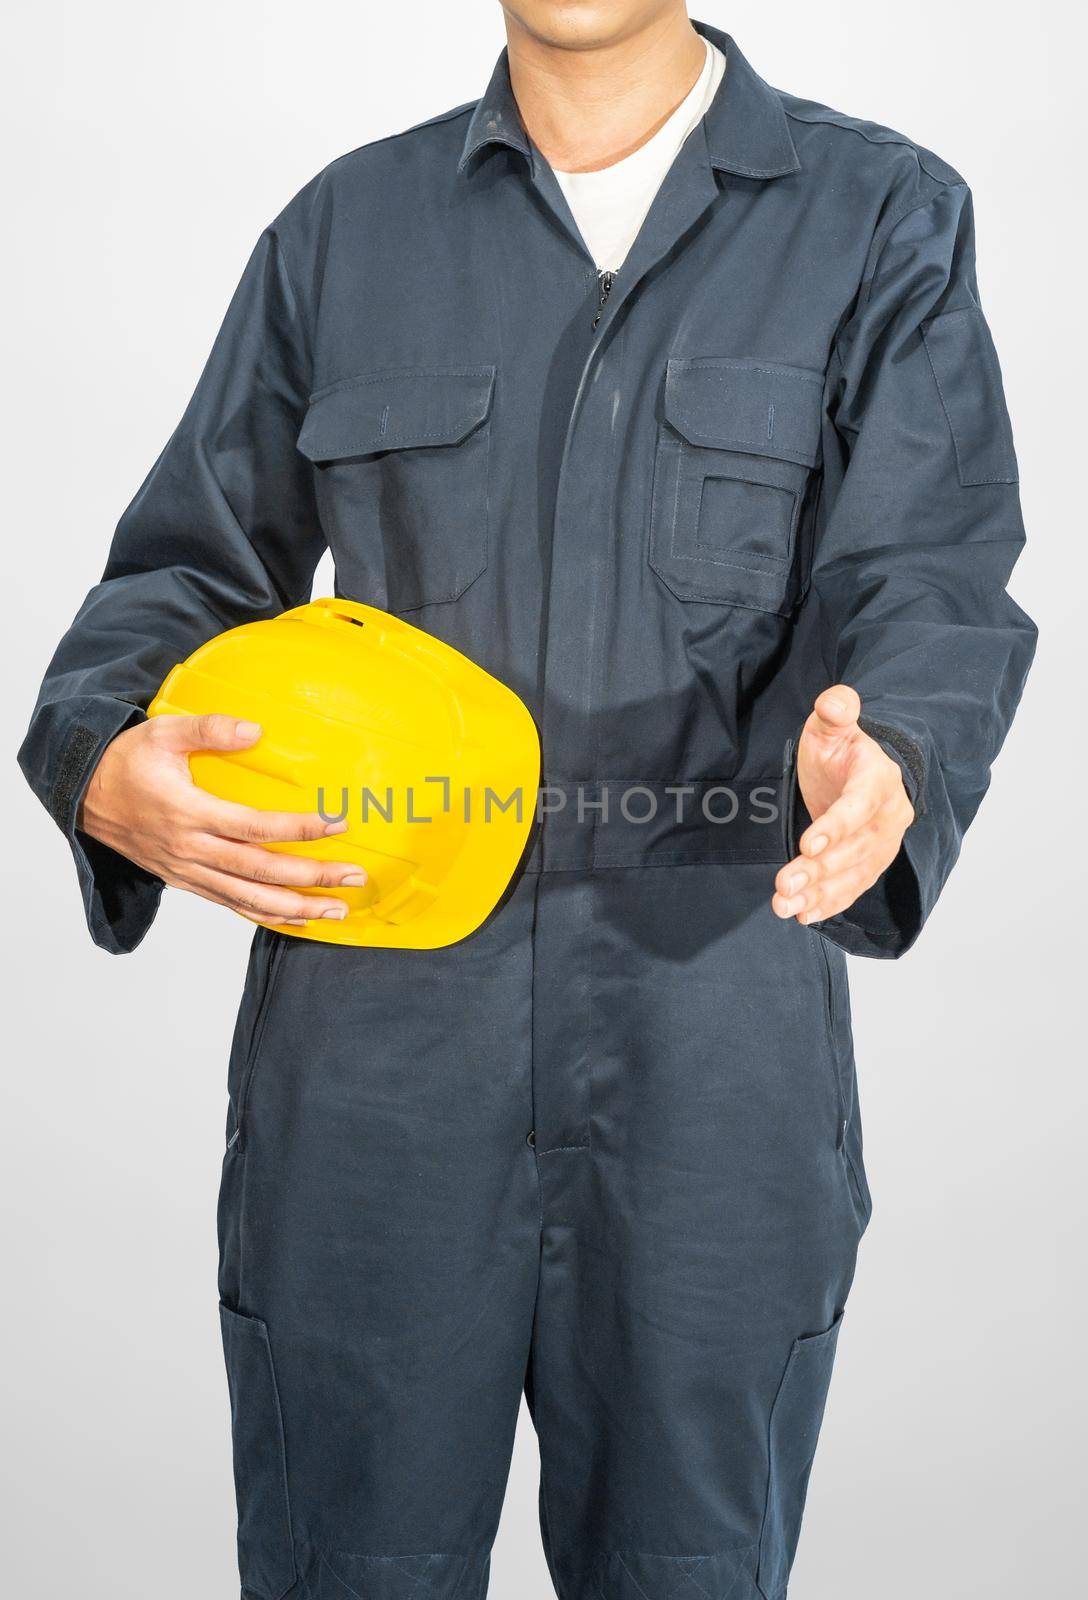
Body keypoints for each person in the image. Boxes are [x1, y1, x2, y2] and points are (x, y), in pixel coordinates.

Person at [18, 5, 1035, 1597]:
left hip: (713, 1053)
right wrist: (102, 760)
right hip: (370, 1072)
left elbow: (933, 567)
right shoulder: (345, 232)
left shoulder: (879, 216)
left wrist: (890, 749)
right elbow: (178, 578)